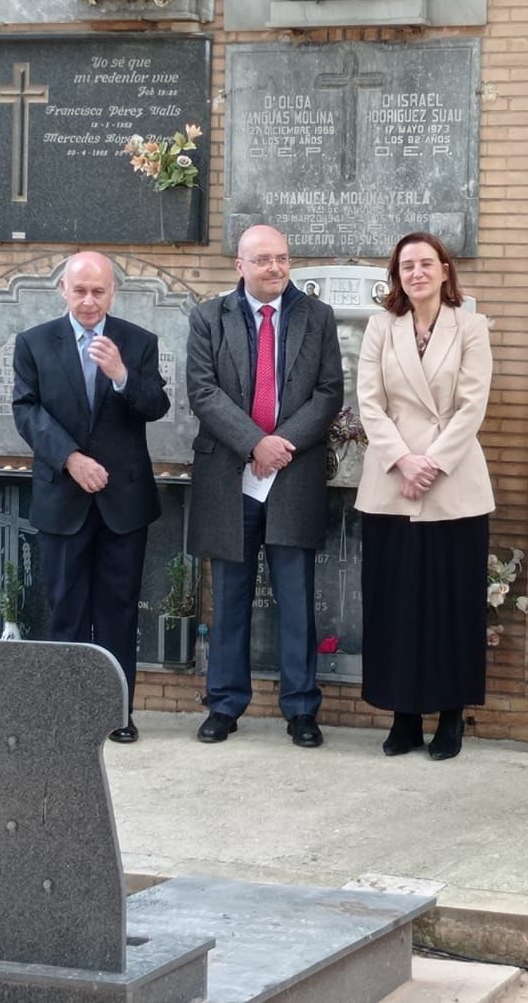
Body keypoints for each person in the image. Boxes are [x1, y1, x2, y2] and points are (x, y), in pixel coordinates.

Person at [186, 224, 343, 747]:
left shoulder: (317, 317)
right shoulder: (209, 317)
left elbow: (328, 392)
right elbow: (203, 392)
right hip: (230, 476)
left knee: (296, 599)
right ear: (240, 265)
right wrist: (255, 443)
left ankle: (301, 709)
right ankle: (225, 704)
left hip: (292, 474)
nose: (275, 268)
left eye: (282, 258)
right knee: (229, 598)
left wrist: (280, 445)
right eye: (263, 260)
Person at [12, 251, 170, 744]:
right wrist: (71, 459)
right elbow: (27, 412)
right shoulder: (34, 343)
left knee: (119, 612)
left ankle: (117, 713)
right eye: (79, 290)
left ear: (113, 292)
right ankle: (69, 714)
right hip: (63, 497)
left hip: (124, 503)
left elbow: (156, 405)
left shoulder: (138, 342)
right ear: (63, 289)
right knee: (67, 611)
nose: (88, 301)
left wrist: (122, 375)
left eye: (98, 291)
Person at [355, 232, 494, 761]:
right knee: (395, 604)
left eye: (426, 263)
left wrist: (431, 463)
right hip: (392, 482)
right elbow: (369, 402)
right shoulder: (380, 328)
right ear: (397, 275)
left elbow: (472, 405)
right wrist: (403, 461)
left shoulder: (471, 327)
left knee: (450, 605)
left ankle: (451, 716)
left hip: (452, 483)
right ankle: (404, 716)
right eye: (406, 265)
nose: (417, 272)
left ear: (444, 270)